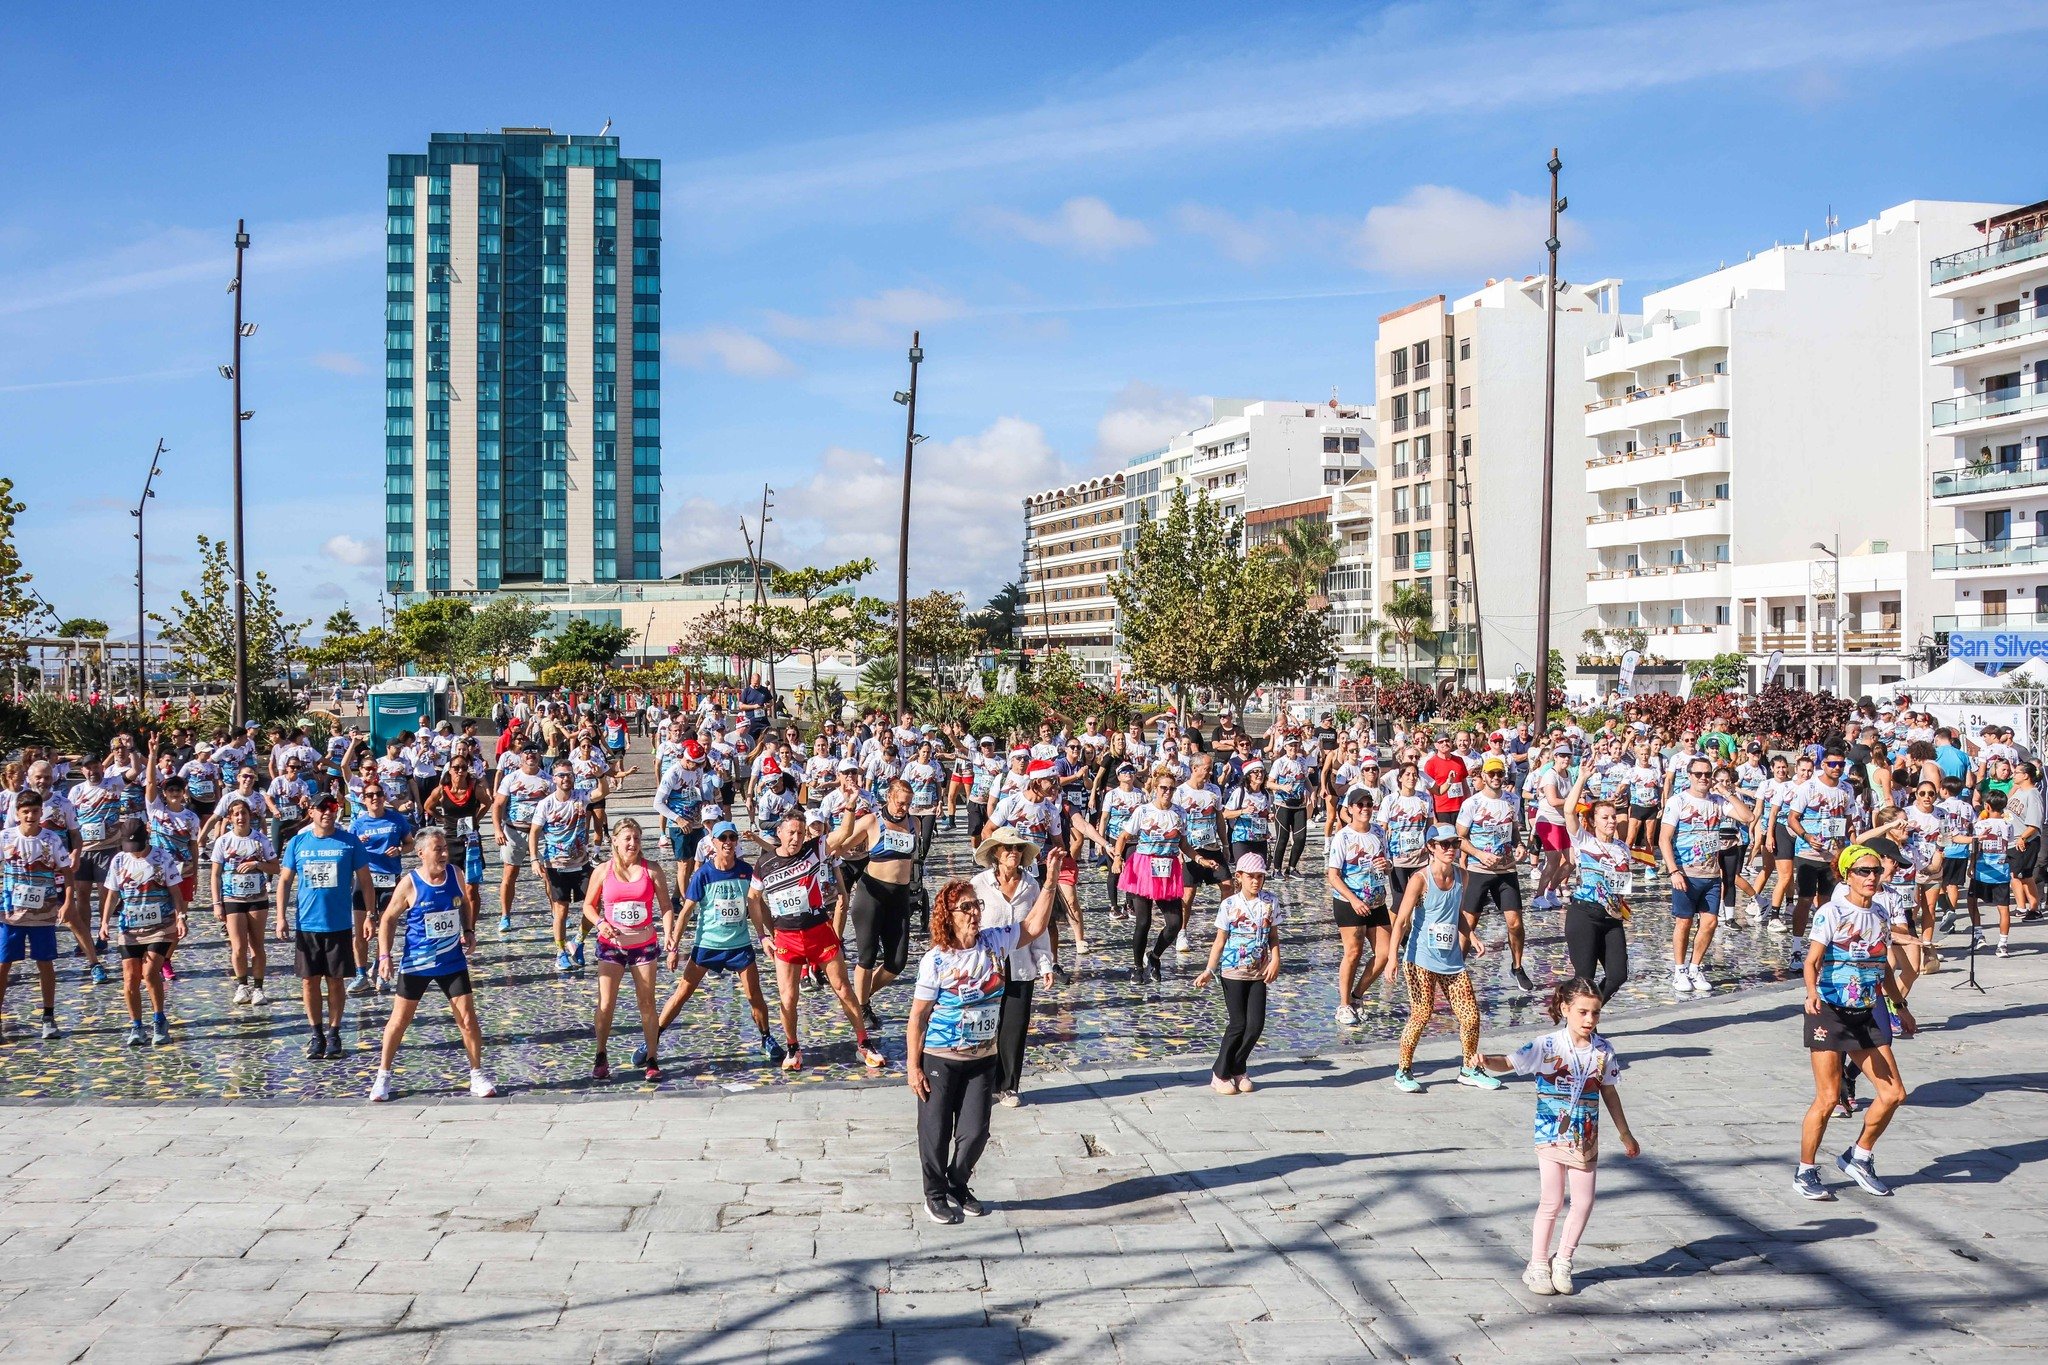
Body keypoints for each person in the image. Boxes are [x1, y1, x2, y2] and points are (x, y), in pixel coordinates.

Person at [906, 863, 1064, 1225]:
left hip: (982, 1058)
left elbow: (1033, 927)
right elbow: (918, 1017)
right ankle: (934, 1194)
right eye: (966, 907)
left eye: (977, 905)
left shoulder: (994, 941)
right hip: (941, 1058)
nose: (975, 912)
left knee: (976, 1132)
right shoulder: (936, 960)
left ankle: (957, 1184)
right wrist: (913, 1067)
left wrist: (1051, 882)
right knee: (936, 1132)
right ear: (949, 916)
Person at [1479, 978, 1640, 1297]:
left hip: (1585, 1136)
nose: (1589, 1020)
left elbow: (1609, 1091)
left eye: (1595, 1013)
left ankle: (1564, 1259)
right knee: (1551, 1201)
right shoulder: (1547, 1045)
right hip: (1551, 1133)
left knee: (1584, 1201)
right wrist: (1486, 1061)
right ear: (1565, 1009)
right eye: (1582, 1012)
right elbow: (1511, 1062)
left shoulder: (1603, 1050)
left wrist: (1625, 1133)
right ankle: (1538, 1264)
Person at [1796, 845, 1916, 1200]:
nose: (1871, 877)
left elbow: (1883, 968)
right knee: (1829, 1097)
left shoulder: (1879, 913)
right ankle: (1805, 1171)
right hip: (1830, 1012)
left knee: (1894, 1093)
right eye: (1863, 871)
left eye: (1876, 871)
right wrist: (1811, 992)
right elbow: (1811, 960)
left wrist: (1900, 1006)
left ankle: (1859, 1156)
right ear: (1846, 875)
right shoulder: (1831, 912)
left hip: (1865, 1010)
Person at [750, 812, 886, 1072]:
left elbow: (845, 832)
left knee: (843, 989)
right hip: (786, 938)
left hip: (818, 932)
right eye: (791, 832)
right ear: (779, 832)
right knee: (788, 997)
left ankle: (864, 1043)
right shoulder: (764, 864)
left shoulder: (814, 850)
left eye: (800, 833)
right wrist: (762, 935)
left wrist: (849, 806)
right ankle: (792, 1047)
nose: (796, 838)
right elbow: (753, 899)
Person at [368, 828, 498, 1101]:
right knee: (399, 1020)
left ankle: (476, 1073)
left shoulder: (455, 874)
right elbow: (389, 919)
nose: (443, 854)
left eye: (445, 849)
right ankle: (383, 1075)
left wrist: (469, 930)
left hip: (452, 960)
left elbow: (463, 902)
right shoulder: (410, 883)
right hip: (417, 962)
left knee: (467, 1018)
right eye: (437, 849)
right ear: (421, 853)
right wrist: (384, 956)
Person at [648, 820, 785, 1068]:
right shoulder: (703, 874)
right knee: (682, 993)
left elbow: (758, 905)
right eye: (723, 839)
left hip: (739, 945)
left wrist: (773, 934)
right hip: (708, 945)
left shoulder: (745, 871)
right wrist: (674, 947)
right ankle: (652, 1039)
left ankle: (766, 1038)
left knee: (755, 995)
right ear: (713, 843)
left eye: (732, 838)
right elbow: (687, 911)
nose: (728, 843)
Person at [1387, 824, 1498, 1093]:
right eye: (1443, 844)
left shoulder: (1462, 876)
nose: (1450, 849)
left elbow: (1456, 913)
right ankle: (1403, 1070)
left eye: (1454, 844)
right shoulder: (1420, 880)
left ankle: (1469, 1068)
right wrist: (1392, 958)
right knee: (1422, 1014)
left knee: (1470, 1016)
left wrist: (1471, 937)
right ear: (1431, 848)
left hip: (1451, 961)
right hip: (1420, 958)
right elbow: (1401, 921)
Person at [277, 795, 375, 1061]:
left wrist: (370, 915)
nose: (327, 813)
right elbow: (285, 881)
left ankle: (334, 1032)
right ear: (311, 812)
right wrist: (281, 917)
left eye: (332, 808)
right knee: (309, 981)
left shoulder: (349, 842)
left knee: (335, 982)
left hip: (338, 924)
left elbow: (365, 881)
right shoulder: (297, 843)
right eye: (321, 808)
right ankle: (315, 1033)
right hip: (307, 925)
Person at [968, 826, 1057, 1108]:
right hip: (986, 968)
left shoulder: (1031, 885)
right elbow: (970, 925)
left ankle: (1008, 1085)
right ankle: (979, 1084)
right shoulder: (979, 884)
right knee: (983, 1026)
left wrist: (1045, 963)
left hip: (1020, 965)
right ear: (995, 852)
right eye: (1008, 848)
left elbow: (1038, 927)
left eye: (1018, 848)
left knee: (1014, 1027)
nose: (1013, 853)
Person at [1112, 768, 1224, 984]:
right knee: (1143, 922)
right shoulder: (1143, 811)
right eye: (1163, 788)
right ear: (1155, 788)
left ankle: (1154, 957)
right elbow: (1124, 836)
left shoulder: (1180, 813)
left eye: (1171, 789)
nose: (1167, 792)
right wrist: (1118, 857)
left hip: (1168, 868)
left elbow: (1184, 844)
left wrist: (1200, 859)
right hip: (1145, 866)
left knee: (1174, 923)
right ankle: (1137, 966)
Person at [582, 818, 673, 1082]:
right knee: (606, 1003)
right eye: (628, 839)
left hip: (643, 945)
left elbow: (666, 906)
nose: (633, 843)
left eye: (637, 838)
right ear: (615, 841)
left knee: (647, 1002)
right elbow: (588, 906)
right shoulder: (602, 871)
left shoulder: (652, 869)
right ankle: (601, 1054)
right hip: (612, 946)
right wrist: (600, 923)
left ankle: (653, 1058)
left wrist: (669, 935)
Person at [1660, 754, 1752, 996]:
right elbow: (1664, 839)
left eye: (1707, 774)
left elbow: (1748, 817)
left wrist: (1727, 792)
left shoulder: (1717, 802)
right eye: (1698, 774)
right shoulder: (1678, 801)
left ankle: (1695, 967)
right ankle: (1680, 969)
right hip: (1686, 872)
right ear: (1689, 776)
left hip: (1711, 873)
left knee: (1710, 922)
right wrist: (1673, 870)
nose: (1703, 778)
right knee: (1684, 922)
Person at [1193, 853, 1282, 1095]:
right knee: (1238, 1023)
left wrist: (1276, 959)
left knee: (1255, 1025)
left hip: (1259, 971)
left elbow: (1273, 936)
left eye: (1260, 877)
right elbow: (1220, 940)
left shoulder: (1270, 902)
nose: (1256, 881)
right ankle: (1220, 1072)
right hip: (1233, 970)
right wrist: (1209, 970)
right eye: (1251, 877)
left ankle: (1238, 1065)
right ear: (1239, 877)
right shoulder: (1230, 905)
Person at [99, 821, 187, 1047]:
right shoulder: (119, 860)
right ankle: (136, 1025)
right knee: (130, 977)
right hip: (129, 927)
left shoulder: (162, 857)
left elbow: (175, 892)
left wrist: (181, 917)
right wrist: (104, 922)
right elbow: (112, 894)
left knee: (149, 972)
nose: (135, 850)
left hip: (160, 925)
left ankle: (159, 1020)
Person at [1459, 756, 1533, 991]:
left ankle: (1517, 966)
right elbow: (1460, 837)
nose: (1496, 778)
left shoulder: (1512, 800)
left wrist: (1520, 846)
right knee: (1469, 923)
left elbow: (1514, 831)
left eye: (1500, 774)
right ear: (1483, 777)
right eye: (1491, 774)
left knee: (1515, 922)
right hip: (1478, 869)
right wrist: (1479, 854)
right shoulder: (1472, 803)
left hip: (1506, 869)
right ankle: (1458, 971)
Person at [0, 789, 70, 1041]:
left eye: (35, 811)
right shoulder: (5, 837)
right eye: (25, 812)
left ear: (42, 812)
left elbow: (66, 871)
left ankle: (48, 1016)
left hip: (43, 914)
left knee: (45, 963)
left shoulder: (51, 839)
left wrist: (67, 902)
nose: (30, 816)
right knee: (3, 964)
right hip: (10, 915)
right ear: (17, 814)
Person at [1326, 789, 1392, 1026]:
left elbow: (1388, 864)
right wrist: (1354, 899)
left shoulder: (1378, 832)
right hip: (1349, 901)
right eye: (1360, 805)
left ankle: (1357, 996)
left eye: (1369, 804)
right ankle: (1343, 1004)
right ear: (1350, 809)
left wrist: (1388, 866)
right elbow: (1332, 875)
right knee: (1353, 953)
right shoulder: (1343, 837)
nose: (1365, 808)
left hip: (1377, 900)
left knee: (1384, 954)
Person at [531, 761, 601, 972]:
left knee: (594, 905)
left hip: (581, 863)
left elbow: (601, 792)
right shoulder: (546, 804)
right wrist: (535, 859)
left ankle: (578, 941)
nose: (565, 778)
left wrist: (602, 776)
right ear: (554, 779)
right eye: (561, 775)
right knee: (561, 910)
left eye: (569, 775)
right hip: (556, 865)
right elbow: (534, 832)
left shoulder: (581, 796)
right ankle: (560, 952)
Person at [347, 785, 414, 997]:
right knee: (360, 930)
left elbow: (410, 843)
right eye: (369, 795)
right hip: (364, 879)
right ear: (363, 800)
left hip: (389, 880)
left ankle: (379, 969)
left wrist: (401, 850)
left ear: (384, 797)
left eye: (378, 794)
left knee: (386, 927)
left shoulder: (396, 820)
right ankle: (360, 975)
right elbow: (348, 851)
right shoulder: (357, 824)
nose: (374, 798)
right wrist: (357, 844)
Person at [208, 800, 278, 1005]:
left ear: (250, 816)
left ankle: (258, 988)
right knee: (238, 947)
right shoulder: (222, 841)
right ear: (229, 818)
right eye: (236, 814)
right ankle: (242, 985)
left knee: (257, 945)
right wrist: (216, 903)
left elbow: (276, 868)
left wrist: (257, 864)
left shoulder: (260, 840)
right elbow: (215, 874)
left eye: (244, 813)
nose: (241, 817)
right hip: (232, 898)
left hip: (257, 899)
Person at [491, 748, 552, 934]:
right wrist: (497, 829)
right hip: (514, 831)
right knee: (509, 874)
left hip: (541, 833)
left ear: (540, 756)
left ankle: (556, 913)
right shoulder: (510, 778)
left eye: (534, 752)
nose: (531, 755)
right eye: (527, 753)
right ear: (521, 757)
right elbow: (498, 805)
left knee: (549, 874)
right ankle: (505, 916)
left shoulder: (548, 780)